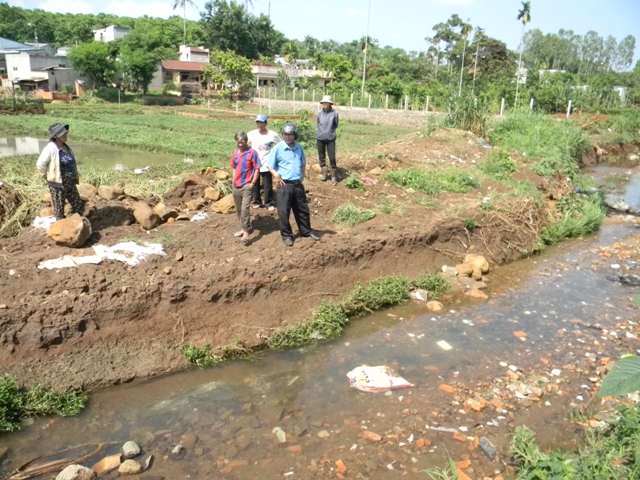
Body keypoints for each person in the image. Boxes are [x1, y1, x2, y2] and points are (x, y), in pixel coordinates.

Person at [266, 123, 321, 247]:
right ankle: (287, 236)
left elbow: (302, 163)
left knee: (303, 210)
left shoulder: (299, 147)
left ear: (295, 135)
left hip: (297, 184)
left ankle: (306, 231)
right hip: (284, 184)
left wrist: (302, 175)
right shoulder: (278, 148)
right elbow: (270, 165)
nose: (288, 137)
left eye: (290, 135)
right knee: (284, 212)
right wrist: (276, 175)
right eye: (286, 135)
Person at [36, 123, 84, 221]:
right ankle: (60, 229)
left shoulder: (65, 146)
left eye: (66, 133)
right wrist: (47, 175)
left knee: (78, 205)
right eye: (64, 134)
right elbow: (40, 164)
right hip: (57, 184)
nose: (66, 135)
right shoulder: (51, 148)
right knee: (59, 210)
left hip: (69, 182)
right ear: (57, 136)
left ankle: (78, 225)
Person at [230, 131, 261, 243]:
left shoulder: (252, 153)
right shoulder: (235, 153)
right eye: (238, 142)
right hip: (236, 186)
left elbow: (257, 169)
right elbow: (234, 167)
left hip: (247, 185)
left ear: (246, 141)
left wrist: (252, 183)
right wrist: (233, 181)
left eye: (242, 142)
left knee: (245, 208)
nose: (240, 144)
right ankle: (243, 228)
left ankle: (246, 232)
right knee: (238, 209)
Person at [247, 114, 281, 211]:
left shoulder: (272, 134)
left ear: (266, 123)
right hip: (255, 164)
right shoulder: (252, 134)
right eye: (258, 122)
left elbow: (280, 145)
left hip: (267, 164)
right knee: (255, 183)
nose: (260, 125)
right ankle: (257, 201)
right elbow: (245, 143)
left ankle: (268, 203)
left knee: (267, 184)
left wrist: (275, 156)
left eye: (261, 122)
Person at [316, 94, 340, 185]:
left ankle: (334, 177)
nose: (325, 104)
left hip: (330, 139)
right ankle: (324, 175)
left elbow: (336, 124)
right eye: (324, 103)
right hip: (320, 138)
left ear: (330, 104)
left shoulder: (334, 113)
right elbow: (318, 124)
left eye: (327, 103)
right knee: (321, 158)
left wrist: (329, 131)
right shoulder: (319, 113)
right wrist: (322, 132)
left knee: (332, 157)